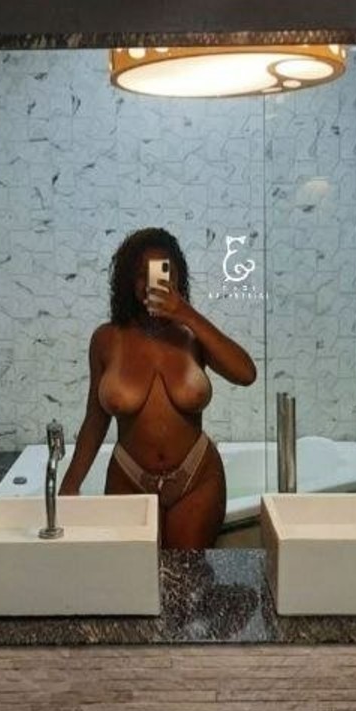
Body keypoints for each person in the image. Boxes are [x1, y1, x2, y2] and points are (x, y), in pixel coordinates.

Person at [58, 228, 257, 549]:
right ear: (127, 281)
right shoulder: (106, 339)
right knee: (132, 576)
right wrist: (69, 487)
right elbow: (95, 420)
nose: (151, 282)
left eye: (164, 272)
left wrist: (186, 313)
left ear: (177, 277)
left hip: (196, 476)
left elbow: (246, 374)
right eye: (141, 274)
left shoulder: (192, 335)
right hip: (128, 477)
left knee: (186, 576)